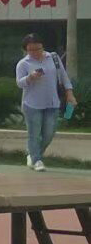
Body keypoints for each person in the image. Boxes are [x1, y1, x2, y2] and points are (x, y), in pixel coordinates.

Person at [17, 33, 73, 171]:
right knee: (34, 134)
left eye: (38, 49)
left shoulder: (53, 57)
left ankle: (32, 154)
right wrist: (30, 77)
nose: (35, 52)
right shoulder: (23, 63)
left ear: (42, 47)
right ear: (26, 50)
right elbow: (19, 83)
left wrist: (69, 93)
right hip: (32, 104)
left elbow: (63, 76)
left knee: (49, 134)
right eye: (31, 50)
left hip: (52, 102)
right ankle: (37, 160)